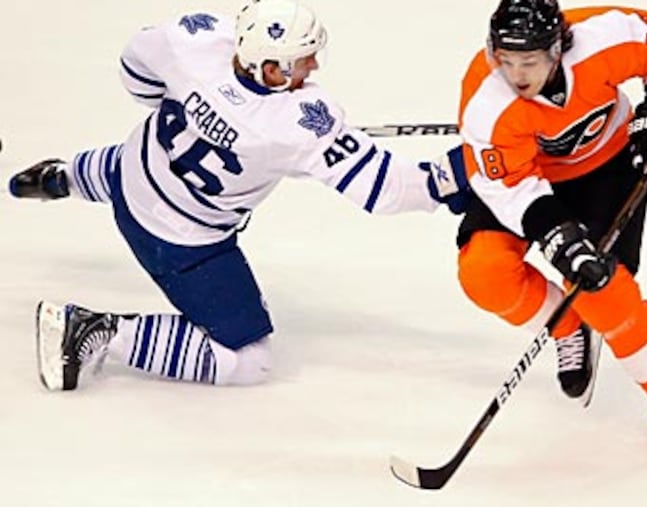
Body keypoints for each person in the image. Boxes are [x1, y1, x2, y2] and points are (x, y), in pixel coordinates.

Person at [9, 0, 469, 392]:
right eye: (304, 58)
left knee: (144, 164)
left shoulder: (198, 40)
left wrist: (197, 108)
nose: (314, 66)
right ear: (272, 70)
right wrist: (451, 178)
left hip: (130, 169)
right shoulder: (299, 124)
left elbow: (136, 69)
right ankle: (98, 332)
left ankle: (62, 177)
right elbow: (383, 187)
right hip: (178, 243)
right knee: (248, 357)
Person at [454, 0, 647, 458]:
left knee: (602, 289)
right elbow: (509, 188)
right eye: (506, 59)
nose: (516, 74)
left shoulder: (602, 37)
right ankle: (565, 326)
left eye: (529, 62)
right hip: (528, 179)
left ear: (557, 50)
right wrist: (557, 235)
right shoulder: (486, 102)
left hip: (606, 168)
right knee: (483, 273)